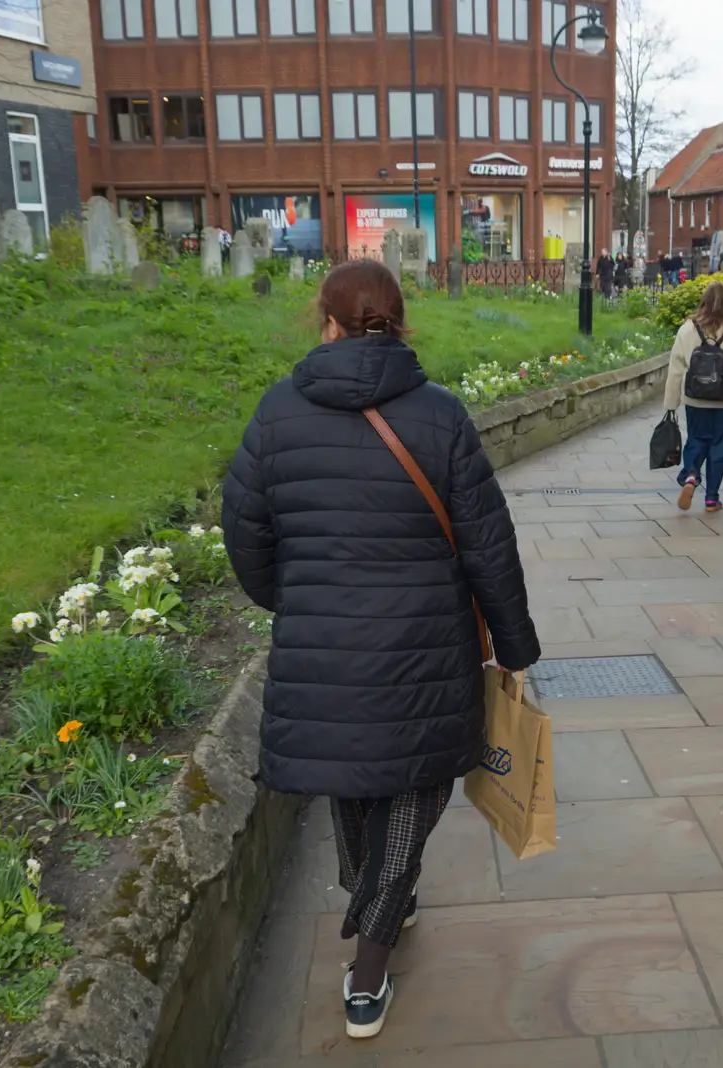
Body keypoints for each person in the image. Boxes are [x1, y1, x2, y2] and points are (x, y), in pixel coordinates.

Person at [222, 260, 540, 1041]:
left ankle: (373, 913)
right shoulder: (439, 415)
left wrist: (291, 602)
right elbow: (487, 545)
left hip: (325, 648)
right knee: (416, 786)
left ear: (326, 323)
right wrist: (515, 646)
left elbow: (244, 530)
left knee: (356, 775)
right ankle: (373, 950)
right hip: (425, 648)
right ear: (399, 323)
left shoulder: (276, 413)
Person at [661, 281, 723, 513]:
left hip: (695, 397)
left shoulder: (687, 329)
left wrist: (671, 401)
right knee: (720, 446)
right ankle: (711, 499)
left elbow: (676, 367)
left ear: (703, 301)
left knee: (696, 439)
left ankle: (691, 477)